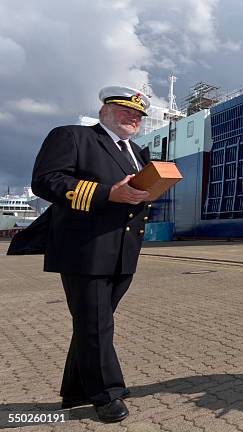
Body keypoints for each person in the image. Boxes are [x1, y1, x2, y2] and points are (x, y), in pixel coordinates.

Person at [29, 86, 152, 422]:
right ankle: (106, 393)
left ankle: (75, 389)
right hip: (85, 248)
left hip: (123, 250)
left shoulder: (138, 152)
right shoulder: (72, 137)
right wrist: (107, 193)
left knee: (93, 323)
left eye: (138, 114)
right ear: (104, 112)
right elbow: (45, 181)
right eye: (125, 111)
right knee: (96, 324)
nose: (133, 118)